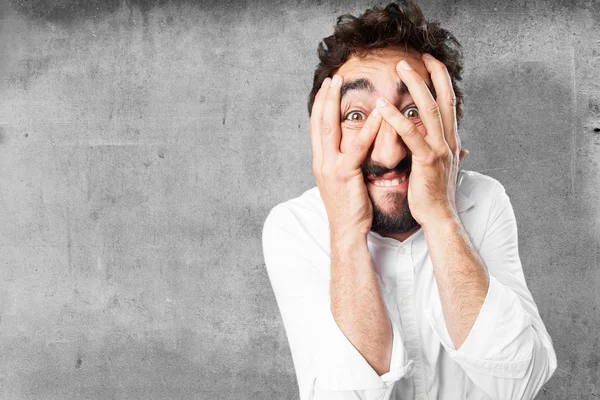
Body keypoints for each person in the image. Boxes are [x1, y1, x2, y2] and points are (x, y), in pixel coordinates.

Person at [261, 1, 557, 399]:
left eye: (413, 109)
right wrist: (347, 233)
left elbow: (520, 381)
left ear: (447, 127)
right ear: (324, 131)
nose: (389, 153)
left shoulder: (483, 201)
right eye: (355, 115)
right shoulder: (294, 226)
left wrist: (441, 216)